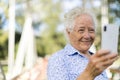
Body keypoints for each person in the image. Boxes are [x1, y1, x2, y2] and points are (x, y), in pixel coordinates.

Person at [47, 7, 118, 80]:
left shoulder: (96, 58)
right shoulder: (58, 59)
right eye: (81, 30)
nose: (87, 36)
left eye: (91, 30)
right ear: (69, 32)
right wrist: (89, 74)